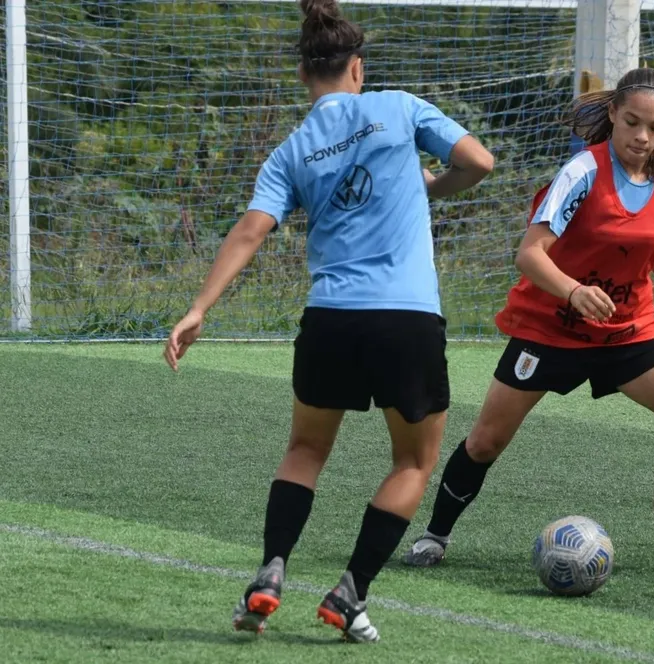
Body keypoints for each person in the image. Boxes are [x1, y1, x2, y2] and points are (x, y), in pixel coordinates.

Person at [162, 0, 493, 642]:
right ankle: (350, 594)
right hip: (406, 319)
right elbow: (478, 162)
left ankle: (270, 571)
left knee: (306, 450)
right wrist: (427, 185)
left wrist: (199, 308)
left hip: (330, 319)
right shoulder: (398, 107)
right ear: (358, 69)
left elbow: (251, 231)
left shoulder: (291, 149)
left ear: (303, 77)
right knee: (413, 463)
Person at [402, 67, 654, 569]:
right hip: (551, 328)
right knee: (486, 441)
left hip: (627, 329)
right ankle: (435, 535)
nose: (643, 136)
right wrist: (574, 291)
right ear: (613, 117)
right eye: (632, 123)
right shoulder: (583, 172)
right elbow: (530, 254)